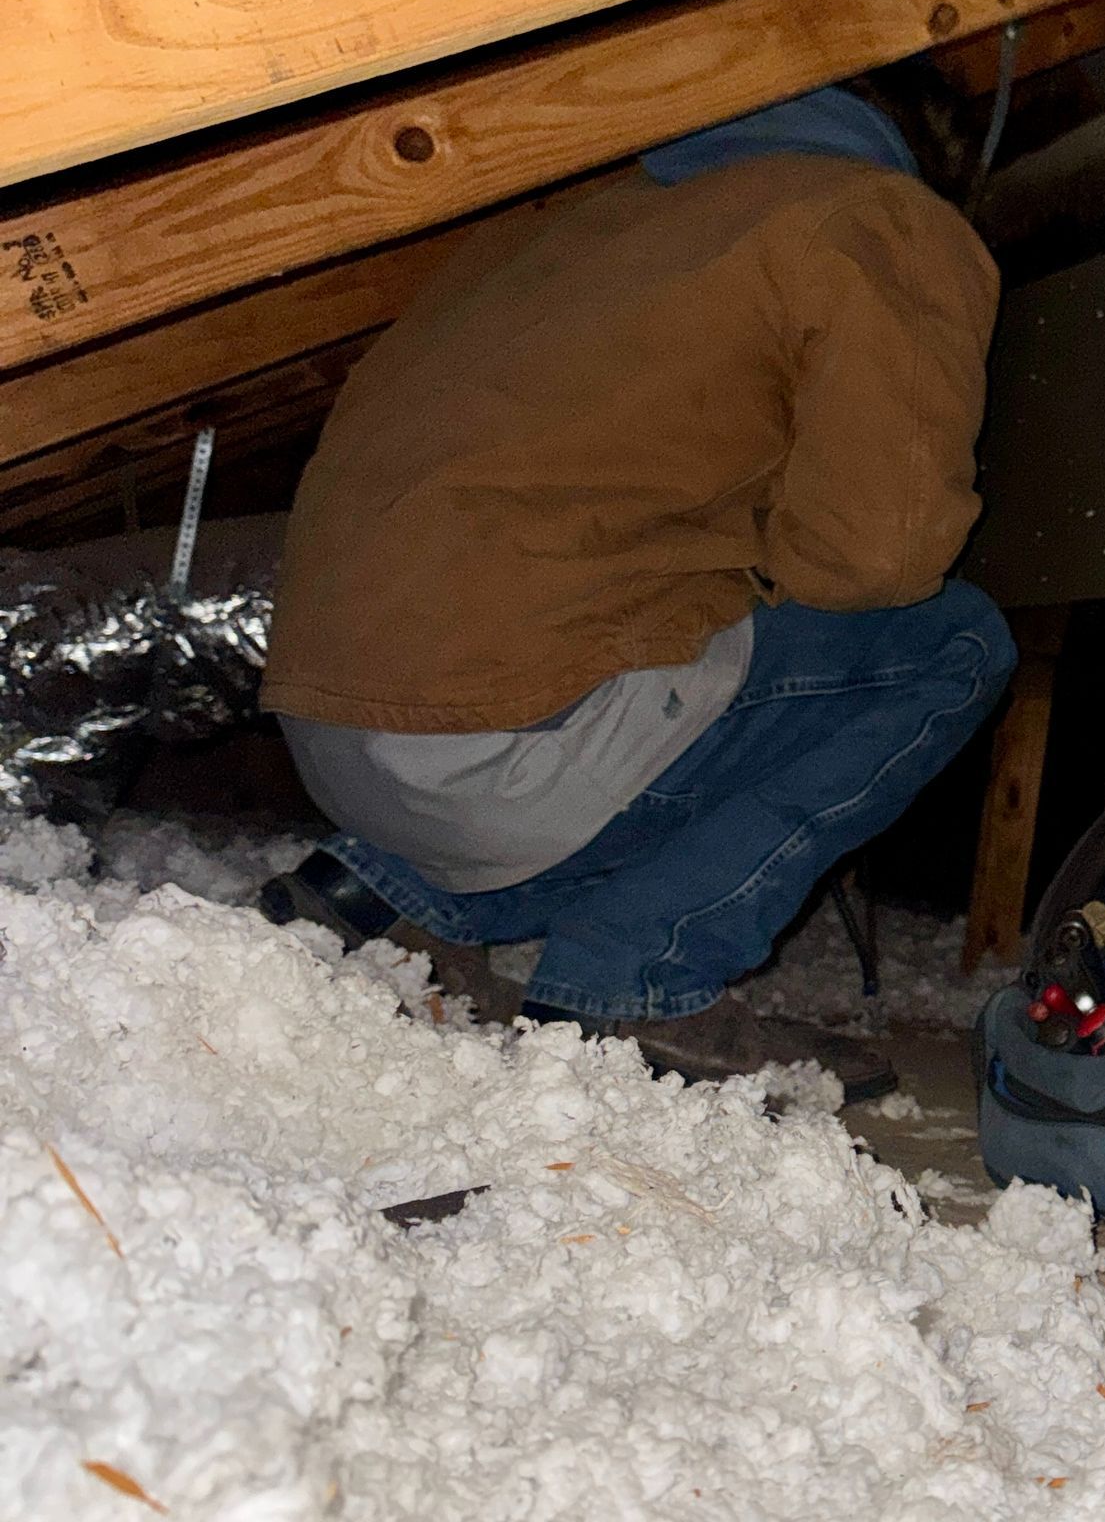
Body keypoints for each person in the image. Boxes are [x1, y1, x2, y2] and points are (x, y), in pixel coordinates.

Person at [257, 84, 1015, 1101]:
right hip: (502, 740)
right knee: (952, 643)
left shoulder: (548, 227)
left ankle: (389, 898)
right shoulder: (871, 217)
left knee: (657, 646)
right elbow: (876, 557)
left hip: (334, 737)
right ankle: (640, 978)